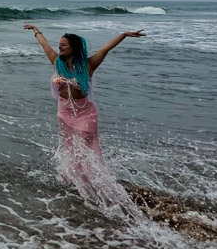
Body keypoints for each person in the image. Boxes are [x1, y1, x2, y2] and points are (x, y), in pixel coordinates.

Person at [23, 24, 144, 201]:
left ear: (74, 47)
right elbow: (44, 44)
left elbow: (105, 48)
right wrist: (35, 30)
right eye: (60, 44)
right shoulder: (57, 63)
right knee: (70, 146)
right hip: (64, 112)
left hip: (85, 113)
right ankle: (73, 178)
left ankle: (95, 180)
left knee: (86, 148)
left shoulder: (88, 65)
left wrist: (124, 34)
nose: (60, 46)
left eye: (64, 44)